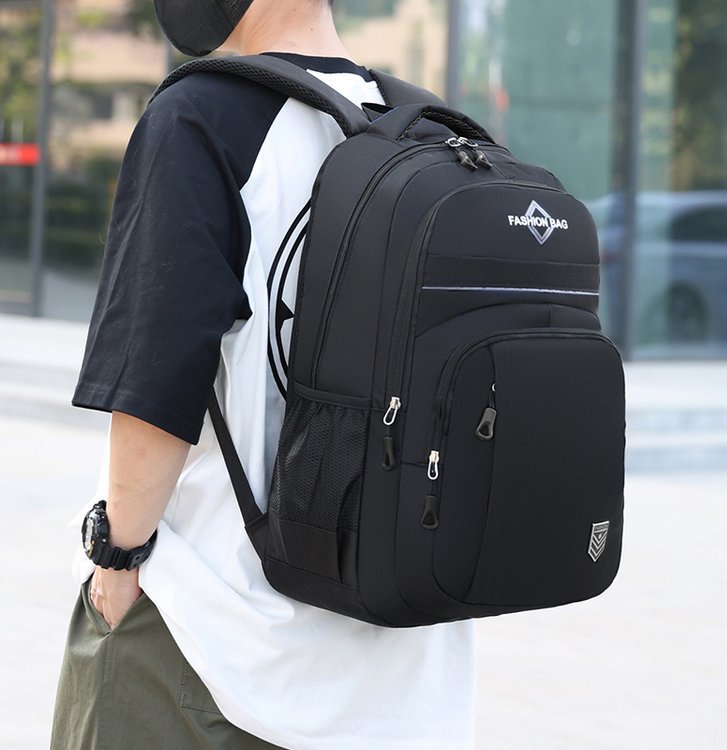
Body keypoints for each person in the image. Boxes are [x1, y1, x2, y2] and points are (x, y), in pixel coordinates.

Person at [51, 0, 475, 748]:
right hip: (403, 673)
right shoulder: (435, 135)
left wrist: (116, 560)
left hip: (216, 654)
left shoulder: (202, 117)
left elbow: (155, 390)